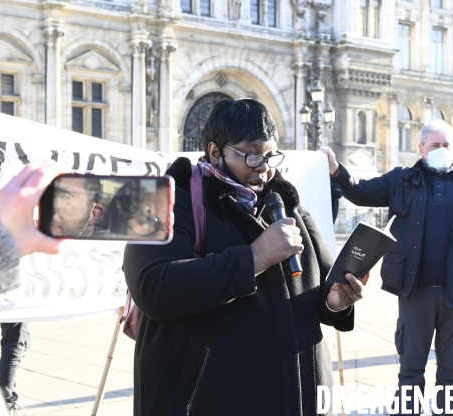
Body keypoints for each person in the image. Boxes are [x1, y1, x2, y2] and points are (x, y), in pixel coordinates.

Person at [124, 98, 365, 416]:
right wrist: (254, 257)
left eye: (269, 155)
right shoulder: (168, 198)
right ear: (215, 152)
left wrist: (335, 302)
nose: (263, 166)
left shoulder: (287, 204)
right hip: (211, 399)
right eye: (250, 154)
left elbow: (318, 283)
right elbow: (153, 286)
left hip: (300, 397)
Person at [321, 119, 453, 415]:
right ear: (421, 149)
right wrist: (336, 170)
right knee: (411, 373)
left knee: (451, 378)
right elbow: (362, 191)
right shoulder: (401, 180)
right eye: (435, 145)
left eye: (446, 146)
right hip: (416, 294)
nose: (441, 150)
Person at [0, 162, 65, 416]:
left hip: (6, 291)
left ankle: (6, 394)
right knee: (15, 345)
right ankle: (5, 395)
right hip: (12, 296)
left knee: (19, 343)